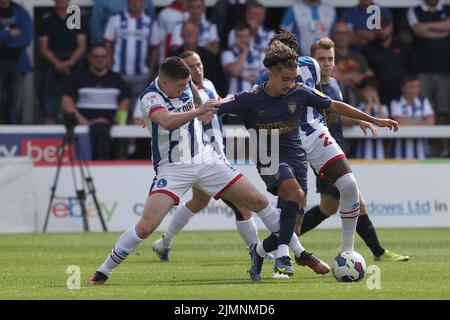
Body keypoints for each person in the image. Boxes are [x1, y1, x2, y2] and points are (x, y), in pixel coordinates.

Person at [87, 56, 294, 285]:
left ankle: (298, 252)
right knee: (146, 227)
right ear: (165, 83)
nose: (186, 87)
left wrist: (197, 102)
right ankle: (103, 272)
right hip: (173, 168)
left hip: (206, 159)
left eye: (187, 84)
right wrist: (197, 111)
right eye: (181, 85)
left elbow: (193, 90)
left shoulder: (185, 84)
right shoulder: (150, 96)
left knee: (257, 201)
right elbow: (166, 121)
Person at [218, 40, 400, 280]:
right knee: (294, 215)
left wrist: (373, 119)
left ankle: (346, 251)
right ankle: (284, 256)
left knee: (349, 186)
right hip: (279, 144)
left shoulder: (308, 69)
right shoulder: (263, 83)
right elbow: (242, 108)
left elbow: (328, 103)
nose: (290, 81)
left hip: (313, 132)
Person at [151, 50, 272, 261]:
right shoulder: (179, 94)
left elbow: (219, 107)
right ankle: (257, 252)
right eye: (191, 66)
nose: (197, 69)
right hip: (200, 158)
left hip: (214, 156)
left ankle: (164, 243)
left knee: (199, 203)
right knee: (243, 205)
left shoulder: (208, 85)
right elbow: (165, 115)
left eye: (199, 64)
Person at [300, 38, 409, 262]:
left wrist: (358, 121)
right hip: (323, 154)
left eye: (330, 59)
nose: (327, 63)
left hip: (336, 150)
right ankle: (378, 252)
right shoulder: (307, 89)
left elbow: (335, 113)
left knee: (328, 207)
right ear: (313, 61)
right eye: (321, 59)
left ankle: (282, 240)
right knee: (357, 201)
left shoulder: (334, 85)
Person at [61, 44, 131, 160]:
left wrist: (120, 121)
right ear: (89, 58)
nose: (100, 60)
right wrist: (86, 122)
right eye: (96, 56)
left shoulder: (116, 78)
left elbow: (125, 100)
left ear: (108, 59)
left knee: (103, 129)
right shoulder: (78, 77)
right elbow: (66, 104)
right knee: (100, 129)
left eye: (103, 57)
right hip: (84, 125)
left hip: (110, 126)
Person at [407, 0, 450, 157]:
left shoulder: (446, 8)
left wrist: (428, 26)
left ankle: (445, 148)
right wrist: (443, 30)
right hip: (423, 71)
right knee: (424, 110)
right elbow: (418, 30)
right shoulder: (414, 10)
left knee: (443, 111)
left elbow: (425, 28)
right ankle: (428, 148)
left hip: (444, 70)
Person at [104, 0, 160, 109]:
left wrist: (151, 69)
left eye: (138, 1)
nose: (135, 3)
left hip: (141, 74)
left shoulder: (150, 21)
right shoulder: (116, 18)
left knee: (137, 107)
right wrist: (110, 64)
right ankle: (120, 125)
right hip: (118, 72)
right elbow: (108, 42)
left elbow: (155, 47)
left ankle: (131, 124)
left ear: (143, 2)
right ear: (127, 2)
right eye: (132, 0)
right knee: (119, 104)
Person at [38, 0, 87, 124]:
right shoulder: (46, 18)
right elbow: (43, 47)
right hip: (52, 65)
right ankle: (49, 139)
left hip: (73, 65)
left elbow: (82, 46)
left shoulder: (76, 17)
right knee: (49, 107)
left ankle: (75, 140)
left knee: (75, 105)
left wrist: (69, 62)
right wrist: (58, 64)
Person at [361, 16, 417, 106]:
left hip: (401, 95)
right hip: (378, 96)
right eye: (377, 28)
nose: (381, 31)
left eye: (384, 27)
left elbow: (413, 69)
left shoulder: (403, 46)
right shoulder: (366, 49)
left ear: (391, 28)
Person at [172, 21, 227, 96]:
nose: (189, 34)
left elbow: (219, 80)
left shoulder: (210, 56)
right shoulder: (173, 58)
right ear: (181, 35)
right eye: (187, 31)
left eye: (192, 32)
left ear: (199, 35)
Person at [0, 0, 32, 124]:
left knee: (15, 106)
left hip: (18, 64)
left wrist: (4, 42)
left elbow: (26, 38)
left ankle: (13, 137)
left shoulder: (21, 12)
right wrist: (11, 34)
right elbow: (19, 35)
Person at [390, 74, 435, 159]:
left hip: (421, 153)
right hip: (400, 154)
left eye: (417, 86)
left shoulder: (424, 101)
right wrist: (421, 121)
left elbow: (430, 122)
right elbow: (398, 122)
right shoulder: (396, 102)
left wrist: (407, 121)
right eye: (411, 87)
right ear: (403, 88)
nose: (415, 90)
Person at [331, 21, 374, 106]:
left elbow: (370, 77)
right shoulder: (329, 56)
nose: (342, 36)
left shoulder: (358, 57)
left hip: (361, 103)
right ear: (332, 35)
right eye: (338, 33)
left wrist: (343, 76)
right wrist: (353, 76)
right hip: (338, 103)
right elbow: (330, 77)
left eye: (345, 33)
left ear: (350, 35)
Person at [90, 0, 155, 45]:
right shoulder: (103, 1)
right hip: (110, 49)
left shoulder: (146, 1)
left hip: (142, 50)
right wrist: (100, 48)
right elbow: (96, 26)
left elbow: (152, 24)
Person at [355, 77, 389, 160]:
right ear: (361, 92)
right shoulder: (358, 108)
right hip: (362, 151)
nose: (370, 93)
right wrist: (369, 104)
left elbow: (386, 122)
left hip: (379, 151)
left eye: (373, 91)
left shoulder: (383, 108)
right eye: (367, 90)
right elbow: (363, 120)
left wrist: (377, 103)